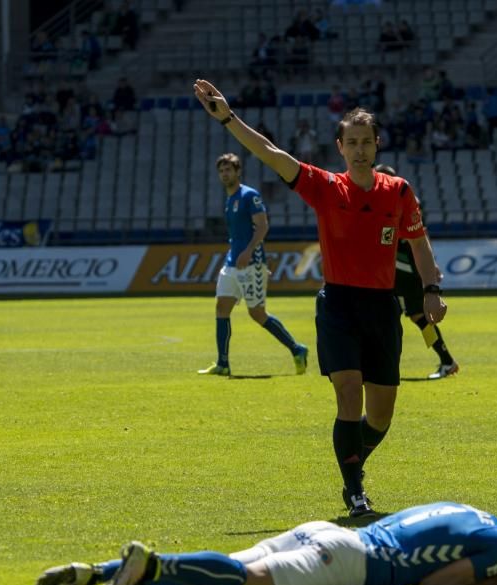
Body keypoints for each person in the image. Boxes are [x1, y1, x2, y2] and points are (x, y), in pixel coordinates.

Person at [193, 79, 447, 518]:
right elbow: (272, 155)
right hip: (339, 306)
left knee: (381, 416)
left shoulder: (400, 192)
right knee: (348, 395)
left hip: (382, 307)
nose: (361, 150)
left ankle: (351, 460)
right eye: (353, 143)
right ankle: (354, 492)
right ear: (340, 148)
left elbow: (419, 244)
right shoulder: (325, 186)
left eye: (367, 142)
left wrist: (431, 290)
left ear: (377, 144)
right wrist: (228, 118)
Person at [34, 501, 497, 585]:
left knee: (218, 572)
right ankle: (151, 565)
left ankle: (93, 572)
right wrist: (491, 583)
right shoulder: (496, 548)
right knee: (241, 581)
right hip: (352, 564)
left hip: (322, 532)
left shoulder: (474, 511)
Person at [198, 153, 309, 377]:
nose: (225, 174)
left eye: (229, 169)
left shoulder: (249, 195)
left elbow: (262, 226)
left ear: (238, 172)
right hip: (233, 262)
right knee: (221, 308)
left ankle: (297, 349)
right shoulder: (230, 200)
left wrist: (251, 255)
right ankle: (223, 363)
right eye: (221, 171)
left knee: (257, 314)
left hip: (251, 263)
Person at [374, 164, 458, 380]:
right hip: (402, 268)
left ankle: (446, 361)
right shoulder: (395, 199)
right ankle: (446, 360)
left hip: (407, 269)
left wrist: (432, 265)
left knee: (413, 316)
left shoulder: (400, 200)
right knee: (414, 316)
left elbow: (420, 236)